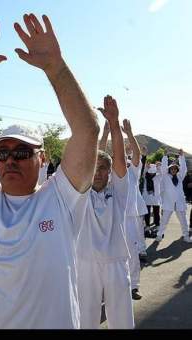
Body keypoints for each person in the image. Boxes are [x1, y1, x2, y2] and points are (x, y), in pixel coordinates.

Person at [0, 14, 99, 328]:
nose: (10, 160)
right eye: (2, 153)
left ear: (43, 158)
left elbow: (87, 131)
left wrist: (56, 68)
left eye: (22, 152)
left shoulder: (62, 198)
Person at [76, 98, 133, 329]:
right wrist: (100, 134)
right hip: (85, 263)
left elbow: (120, 160)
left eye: (103, 168)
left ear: (109, 172)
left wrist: (115, 124)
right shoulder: (80, 192)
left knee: (122, 321)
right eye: (94, 167)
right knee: (85, 320)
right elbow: (87, 156)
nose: (97, 173)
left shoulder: (118, 192)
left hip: (116, 263)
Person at [120, 119, 144, 300]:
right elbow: (101, 154)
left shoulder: (133, 172)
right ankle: (114, 286)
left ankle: (134, 286)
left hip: (130, 218)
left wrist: (129, 133)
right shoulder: (113, 172)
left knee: (132, 252)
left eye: (128, 161)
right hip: (113, 217)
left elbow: (137, 154)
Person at [157, 149, 191, 242]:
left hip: (179, 203)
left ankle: (186, 236)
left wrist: (182, 157)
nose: (173, 170)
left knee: (183, 221)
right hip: (168, 202)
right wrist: (165, 156)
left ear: (177, 170)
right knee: (164, 221)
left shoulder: (180, 177)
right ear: (169, 169)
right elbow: (163, 167)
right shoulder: (165, 176)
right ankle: (159, 235)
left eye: (175, 169)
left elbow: (184, 168)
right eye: (172, 168)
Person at [142, 160, 162, 231]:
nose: (151, 174)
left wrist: (159, 166)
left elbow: (162, 172)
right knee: (147, 213)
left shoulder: (158, 177)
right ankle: (147, 225)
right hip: (147, 197)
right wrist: (146, 167)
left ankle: (157, 225)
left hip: (155, 198)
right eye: (150, 172)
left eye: (153, 173)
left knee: (156, 213)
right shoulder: (145, 176)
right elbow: (143, 172)